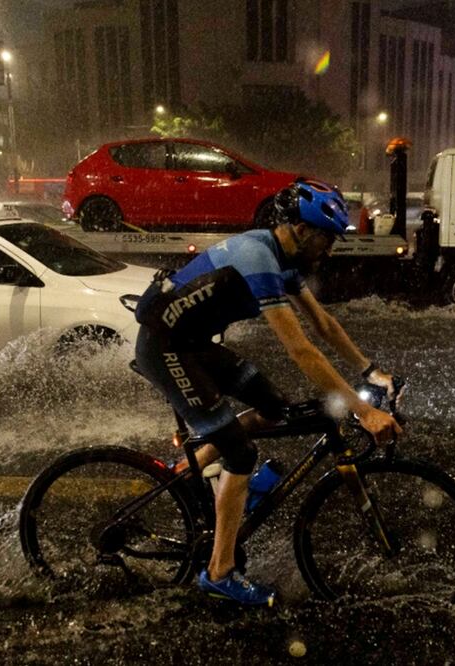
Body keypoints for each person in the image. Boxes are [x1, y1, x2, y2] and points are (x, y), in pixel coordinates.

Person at [133, 180, 402, 606]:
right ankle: (219, 573)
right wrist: (362, 412)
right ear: (299, 228)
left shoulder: (284, 258)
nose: (330, 250)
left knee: (276, 409)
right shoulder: (258, 257)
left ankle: (190, 468)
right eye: (326, 239)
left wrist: (372, 370)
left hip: (195, 346)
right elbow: (300, 349)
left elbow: (323, 325)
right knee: (240, 454)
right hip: (165, 349)